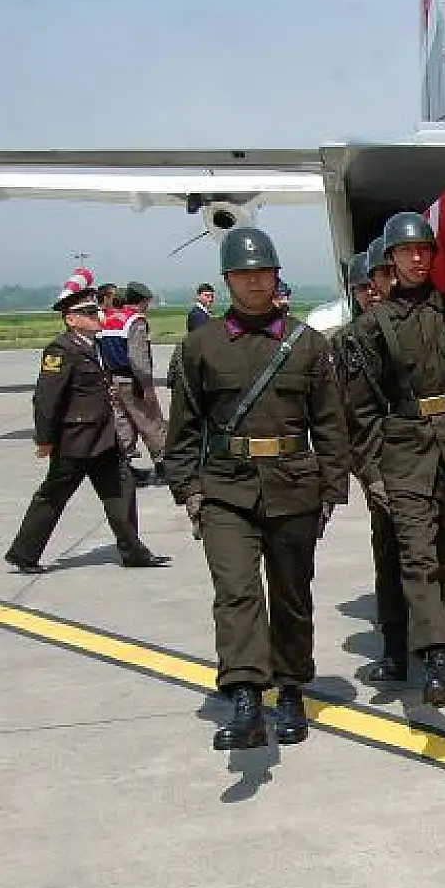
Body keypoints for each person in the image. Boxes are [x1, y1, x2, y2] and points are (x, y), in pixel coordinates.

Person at [164, 227, 351, 751]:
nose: (253, 282)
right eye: (243, 274)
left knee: (291, 594)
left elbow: (331, 426)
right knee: (236, 590)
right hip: (224, 489)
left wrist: (332, 490)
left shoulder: (307, 344)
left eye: (262, 273)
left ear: (276, 277)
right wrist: (189, 491)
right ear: (227, 280)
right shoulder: (200, 347)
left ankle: (290, 687)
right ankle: (245, 693)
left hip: (294, 486)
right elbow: (183, 429)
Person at [341, 211, 445, 708]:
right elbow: (359, 411)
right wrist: (372, 474)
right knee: (418, 558)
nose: (416, 258)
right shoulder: (370, 328)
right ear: (390, 260)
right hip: (404, 451)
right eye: (406, 251)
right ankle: (433, 655)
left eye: (424, 250)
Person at [5, 271, 168, 575]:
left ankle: (133, 551)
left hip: (104, 439)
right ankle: (24, 553)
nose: (97, 316)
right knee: (52, 496)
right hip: (75, 441)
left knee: (122, 491)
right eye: (89, 313)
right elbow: (46, 399)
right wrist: (45, 439)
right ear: (71, 319)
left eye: (96, 310)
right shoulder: (61, 350)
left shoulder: (92, 346)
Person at [334, 250, 407, 682]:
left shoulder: (405, 331)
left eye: (377, 284)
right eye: (363, 288)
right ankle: (395, 648)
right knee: (391, 556)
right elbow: (345, 418)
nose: (372, 294)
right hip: (377, 462)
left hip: (419, 455)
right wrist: (370, 473)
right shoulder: (345, 344)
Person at [112, 282, 169, 483]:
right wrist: (147, 387)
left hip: (112, 381)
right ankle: (162, 465)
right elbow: (138, 358)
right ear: (143, 301)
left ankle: (124, 469)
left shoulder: (110, 319)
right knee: (151, 421)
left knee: (122, 424)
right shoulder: (135, 321)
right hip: (132, 380)